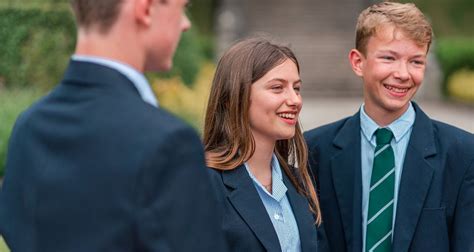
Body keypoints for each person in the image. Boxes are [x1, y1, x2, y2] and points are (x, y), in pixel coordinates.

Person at [0, 0, 228, 251]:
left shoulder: (29, 127)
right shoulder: (170, 144)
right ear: (146, 9)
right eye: (182, 8)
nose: (185, 24)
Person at [304, 2, 474, 252]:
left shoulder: (463, 153)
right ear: (357, 62)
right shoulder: (316, 149)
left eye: (416, 61)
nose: (403, 73)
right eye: (389, 58)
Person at [203, 37, 323, 252]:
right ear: (236, 96)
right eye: (277, 88)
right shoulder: (204, 183)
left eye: (296, 88)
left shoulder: (299, 182)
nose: (295, 100)